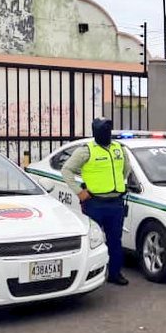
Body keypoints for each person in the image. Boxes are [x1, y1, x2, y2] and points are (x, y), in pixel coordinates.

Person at [61, 117, 130, 286]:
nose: (105, 133)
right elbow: (66, 170)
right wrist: (79, 192)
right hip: (94, 204)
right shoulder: (86, 151)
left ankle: (115, 273)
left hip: (116, 203)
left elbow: (126, 169)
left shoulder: (119, 149)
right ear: (95, 132)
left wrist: (119, 184)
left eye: (107, 130)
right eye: (101, 130)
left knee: (115, 240)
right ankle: (89, 276)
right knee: (92, 241)